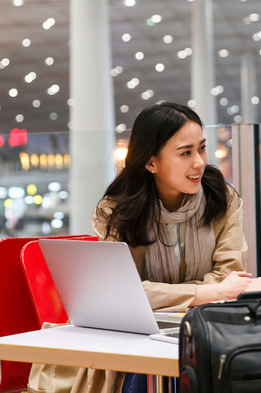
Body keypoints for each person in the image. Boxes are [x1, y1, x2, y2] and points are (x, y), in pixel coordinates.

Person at [73, 102, 250, 393]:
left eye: (202, 148)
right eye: (185, 153)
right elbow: (122, 295)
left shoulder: (222, 198)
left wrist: (164, 294)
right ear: (151, 162)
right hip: (136, 338)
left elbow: (231, 279)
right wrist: (204, 291)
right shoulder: (117, 211)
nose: (199, 162)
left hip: (207, 330)